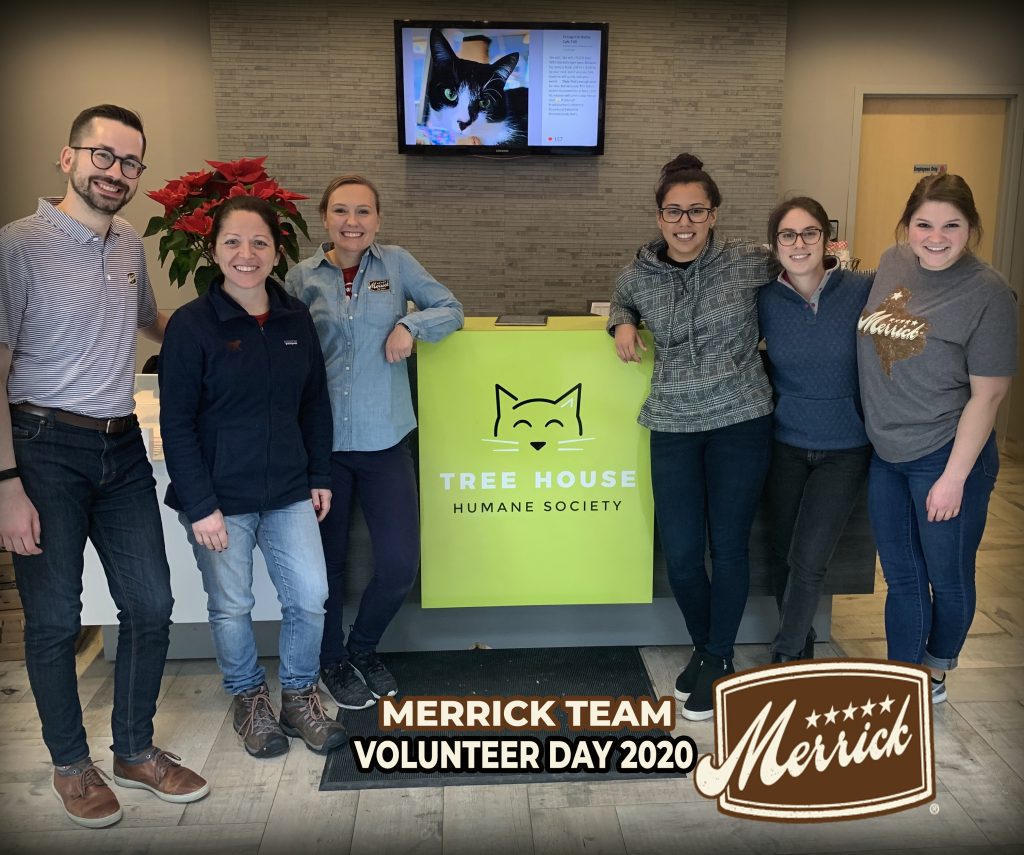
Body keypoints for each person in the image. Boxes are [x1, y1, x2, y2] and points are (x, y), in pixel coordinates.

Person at [0, 104, 208, 829]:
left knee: (151, 605)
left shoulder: (127, 242)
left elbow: (152, 322)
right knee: (55, 619)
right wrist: (5, 485)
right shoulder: (16, 246)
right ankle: (69, 762)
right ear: (68, 157)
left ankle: (134, 749)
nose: (116, 172)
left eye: (129, 162)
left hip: (120, 447)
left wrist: (227, 310)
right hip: (43, 447)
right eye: (103, 156)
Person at [159, 195, 345, 758]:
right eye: (233, 242)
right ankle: (248, 699)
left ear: (276, 250)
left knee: (310, 597)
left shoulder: (294, 319)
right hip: (221, 500)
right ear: (214, 251)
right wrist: (200, 505)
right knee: (232, 605)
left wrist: (319, 474)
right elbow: (178, 422)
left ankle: (297, 696)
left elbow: (313, 403)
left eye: (259, 242)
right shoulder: (192, 326)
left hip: (290, 490)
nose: (247, 254)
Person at [285, 175, 463, 708]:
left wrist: (412, 325)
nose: (352, 222)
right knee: (328, 568)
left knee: (399, 565)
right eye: (341, 211)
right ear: (325, 218)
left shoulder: (398, 265)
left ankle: (363, 648)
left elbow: (451, 308)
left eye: (363, 212)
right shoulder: (300, 278)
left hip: (387, 440)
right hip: (323, 448)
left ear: (378, 219)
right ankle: (332, 662)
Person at [609, 153, 776, 721]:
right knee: (681, 555)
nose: (684, 222)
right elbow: (621, 299)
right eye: (673, 212)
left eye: (695, 211)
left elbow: (806, 267)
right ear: (658, 216)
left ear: (714, 214)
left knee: (727, 547)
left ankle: (716, 657)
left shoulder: (749, 260)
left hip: (741, 421)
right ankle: (710, 651)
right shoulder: (638, 273)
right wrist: (622, 320)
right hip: (673, 423)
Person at [857, 173, 1017, 704]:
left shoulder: (988, 293)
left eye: (952, 225)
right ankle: (903, 682)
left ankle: (937, 668)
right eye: (923, 224)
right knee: (902, 578)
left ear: (971, 228)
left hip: (948, 455)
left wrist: (954, 478)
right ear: (908, 225)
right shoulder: (894, 261)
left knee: (946, 578)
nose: (936, 237)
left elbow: (988, 395)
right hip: (887, 453)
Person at [758, 197, 873, 663]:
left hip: (845, 447)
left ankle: (784, 659)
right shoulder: (765, 298)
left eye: (810, 233)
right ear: (775, 244)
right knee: (782, 553)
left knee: (809, 558)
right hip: (785, 444)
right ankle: (800, 647)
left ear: (827, 240)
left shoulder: (862, 289)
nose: (799, 243)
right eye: (788, 235)